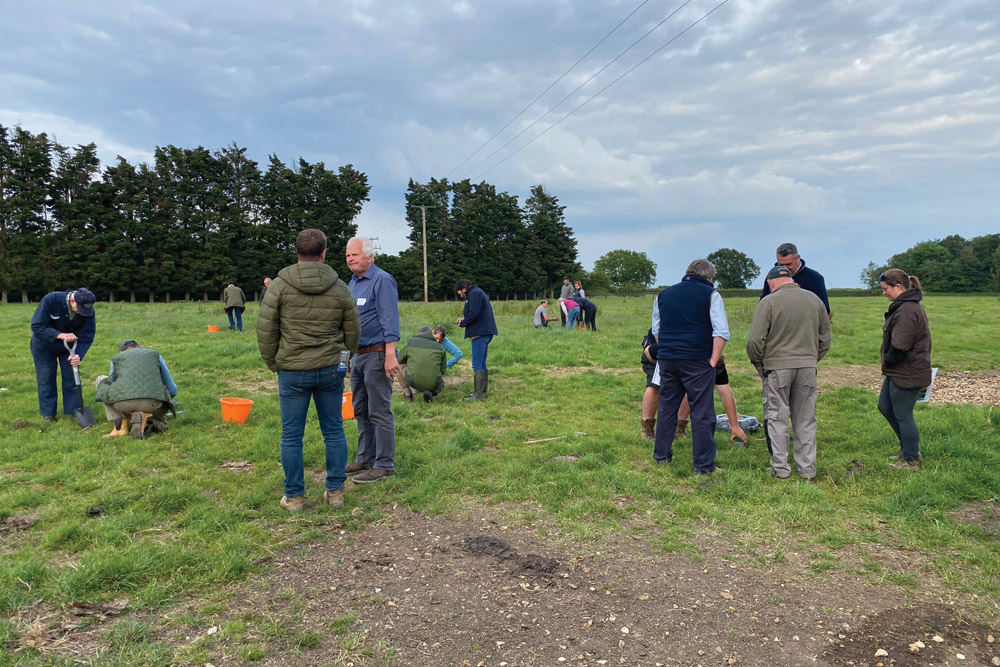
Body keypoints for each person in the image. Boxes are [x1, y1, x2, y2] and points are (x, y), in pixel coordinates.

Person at [258, 229, 360, 510]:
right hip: (331, 369)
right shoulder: (340, 287)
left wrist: (274, 363)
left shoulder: (278, 286)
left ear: (297, 252)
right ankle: (336, 492)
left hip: (292, 370)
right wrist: (343, 363)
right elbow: (352, 332)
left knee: (292, 435)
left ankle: (294, 497)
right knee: (334, 431)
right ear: (324, 253)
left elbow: (266, 330)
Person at [746, 265, 831, 481]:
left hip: (776, 368)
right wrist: (811, 359)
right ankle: (807, 470)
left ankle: (780, 468)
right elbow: (825, 339)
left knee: (777, 417)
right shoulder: (815, 300)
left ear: (770, 283)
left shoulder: (768, 302)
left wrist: (761, 365)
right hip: (807, 367)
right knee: (805, 418)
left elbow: (755, 341)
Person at [651, 259, 729, 474]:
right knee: (702, 412)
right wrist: (713, 360)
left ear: (688, 272)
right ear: (709, 277)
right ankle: (704, 466)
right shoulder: (711, 294)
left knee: (667, 408)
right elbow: (721, 331)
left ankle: (661, 457)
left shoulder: (663, 295)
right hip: (698, 359)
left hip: (668, 359)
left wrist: (668, 351)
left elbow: (656, 330)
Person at [346, 236, 400, 484]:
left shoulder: (382, 280)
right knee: (360, 410)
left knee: (379, 411)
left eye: (354, 254)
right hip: (358, 355)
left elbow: (390, 319)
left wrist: (390, 355)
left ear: (369, 256)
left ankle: (384, 464)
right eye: (347, 255)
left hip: (378, 354)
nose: (350, 259)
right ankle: (364, 457)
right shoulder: (353, 283)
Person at [641, 330, 747, 447]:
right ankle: (647, 427)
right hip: (662, 347)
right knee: (655, 385)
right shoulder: (678, 349)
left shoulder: (716, 363)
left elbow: (725, 392)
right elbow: (648, 352)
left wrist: (735, 426)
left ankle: (679, 426)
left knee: (693, 387)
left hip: (687, 347)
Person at [878, 269, 932, 471]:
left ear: (898, 287)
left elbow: (900, 345)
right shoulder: (903, 307)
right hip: (898, 370)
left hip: (908, 371)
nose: (884, 293)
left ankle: (910, 459)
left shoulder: (907, 310)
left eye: (886, 289)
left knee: (903, 414)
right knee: (885, 407)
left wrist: (888, 362)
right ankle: (908, 449)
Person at [30, 288, 97, 422]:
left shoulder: (87, 310)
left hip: (69, 348)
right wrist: (59, 335)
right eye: (79, 309)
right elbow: (37, 325)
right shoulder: (51, 300)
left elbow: (87, 335)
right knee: (46, 378)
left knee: (72, 377)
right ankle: (48, 414)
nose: (83, 313)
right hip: (44, 346)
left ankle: (75, 411)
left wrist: (78, 355)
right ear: (72, 301)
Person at [95, 339, 178, 439]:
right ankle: (147, 418)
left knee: (102, 380)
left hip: (123, 405)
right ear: (140, 347)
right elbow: (172, 390)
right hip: (153, 404)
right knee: (162, 423)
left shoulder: (117, 358)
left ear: (121, 351)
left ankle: (120, 427)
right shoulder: (155, 356)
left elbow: (112, 383)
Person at [455, 278, 498, 401]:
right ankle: (482, 393)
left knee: (477, 363)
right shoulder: (477, 292)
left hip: (480, 333)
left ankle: (478, 395)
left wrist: (463, 323)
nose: (461, 295)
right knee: (482, 363)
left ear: (463, 288)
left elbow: (473, 313)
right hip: (485, 331)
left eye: (460, 293)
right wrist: (464, 319)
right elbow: (475, 313)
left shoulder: (473, 294)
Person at [760, 242, 830, 315]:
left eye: (788, 264)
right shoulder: (771, 277)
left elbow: (824, 309)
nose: (784, 268)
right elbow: (763, 304)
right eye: (780, 264)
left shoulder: (814, 278)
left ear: (798, 258)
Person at [397, 326, 448, 403]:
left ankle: (407, 393)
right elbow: (443, 370)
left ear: (419, 333)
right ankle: (431, 392)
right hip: (435, 384)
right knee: (441, 384)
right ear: (431, 334)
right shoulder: (440, 347)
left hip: (412, 381)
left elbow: (400, 359)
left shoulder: (411, 342)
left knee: (398, 364)